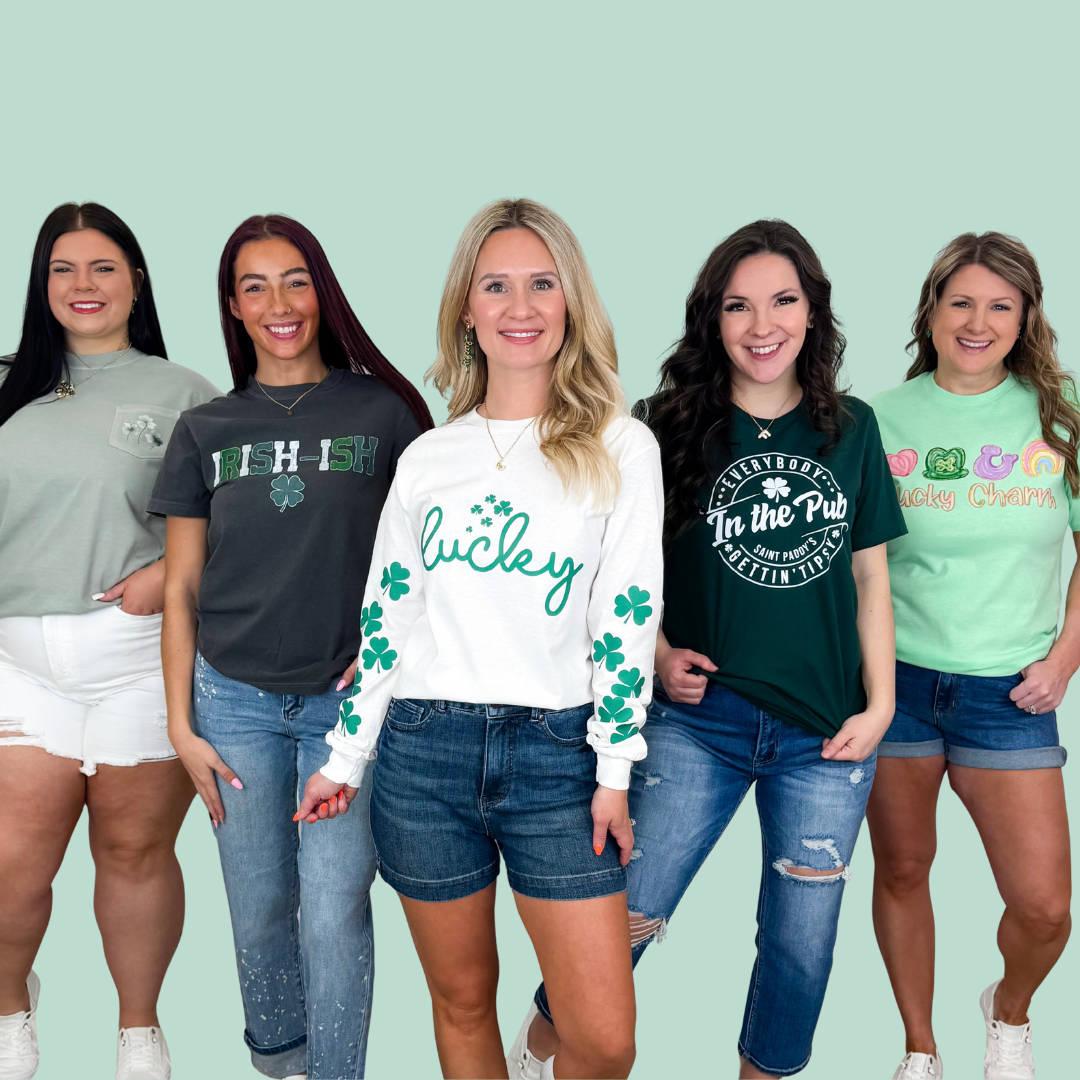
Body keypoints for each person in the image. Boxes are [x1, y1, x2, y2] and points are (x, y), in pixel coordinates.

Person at [513, 219, 907, 1079]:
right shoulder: (660, 427)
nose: (761, 324)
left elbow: (871, 580)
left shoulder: (854, 429)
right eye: (739, 305)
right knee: (630, 911)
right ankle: (546, 1044)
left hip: (826, 732)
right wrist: (654, 650)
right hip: (698, 721)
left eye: (782, 301)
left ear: (813, 312)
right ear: (712, 320)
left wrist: (879, 706)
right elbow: (613, 570)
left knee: (801, 946)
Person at [297, 198, 664, 1080]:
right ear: (467, 308)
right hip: (425, 754)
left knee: (605, 1040)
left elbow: (627, 615)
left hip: (560, 759)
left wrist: (614, 769)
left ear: (572, 302)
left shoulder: (621, 445)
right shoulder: (432, 457)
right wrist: (347, 756)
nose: (520, 306)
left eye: (542, 284)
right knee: (462, 1003)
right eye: (496, 285)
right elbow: (391, 613)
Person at [153, 214, 432, 1080]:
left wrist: (388, 657)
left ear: (323, 291)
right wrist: (180, 726)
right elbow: (182, 586)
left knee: (336, 908)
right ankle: (280, 1063)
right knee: (259, 908)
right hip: (230, 699)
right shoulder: (206, 429)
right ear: (233, 307)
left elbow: (429, 562)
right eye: (254, 286)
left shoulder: (384, 413)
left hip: (347, 707)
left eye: (295, 281)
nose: (279, 303)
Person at [0, 202, 220, 1080]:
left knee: (133, 853)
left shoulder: (186, 394)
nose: (82, 285)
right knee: (16, 857)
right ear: (41, 285)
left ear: (137, 282)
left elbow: (233, 524)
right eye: (63, 269)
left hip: (139, 661)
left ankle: (139, 1032)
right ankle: (11, 1007)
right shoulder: (7, 384)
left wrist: (167, 576)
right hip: (19, 664)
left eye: (102, 267)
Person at [868, 232, 1074, 1080]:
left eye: (999, 304)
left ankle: (1009, 1012)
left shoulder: (1059, 412)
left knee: (1045, 906)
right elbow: (846, 566)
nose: (978, 321)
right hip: (898, 684)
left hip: (1012, 692)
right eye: (961, 302)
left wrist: (1066, 658)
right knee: (905, 868)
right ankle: (919, 1046)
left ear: (1025, 316)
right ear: (931, 310)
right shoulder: (875, 418)